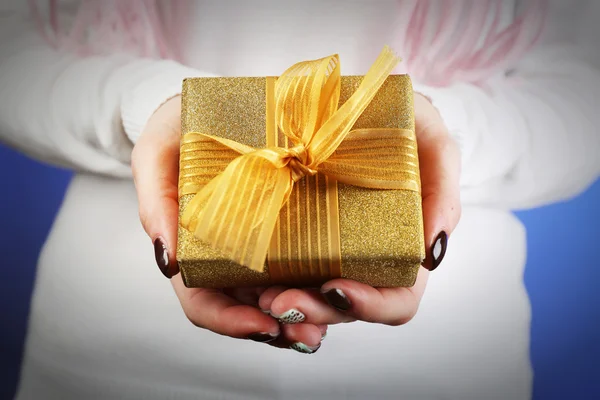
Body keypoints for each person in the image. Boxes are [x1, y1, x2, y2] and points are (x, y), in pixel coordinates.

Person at [1, 0, 599, 399]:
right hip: (109, 356)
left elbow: (584, 95)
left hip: (445, 364)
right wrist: (149, 106)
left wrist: (422, 130)